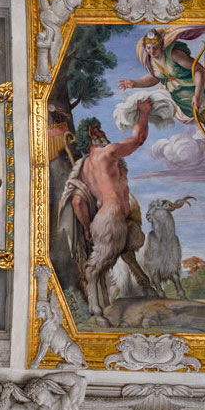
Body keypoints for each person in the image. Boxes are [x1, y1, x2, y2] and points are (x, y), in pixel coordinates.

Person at [62, 99, 156, 317]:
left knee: (124, 249)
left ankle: (139, 288)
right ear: (93, 133)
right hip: (111, 217)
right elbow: (138, 139)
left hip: (107, 218)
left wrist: (87, 227)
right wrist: (143, 113)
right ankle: (94, 306)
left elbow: (78, 202)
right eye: (100, 130)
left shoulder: (84, 167)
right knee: (97, 266)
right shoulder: (108, 153)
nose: (104, 134)